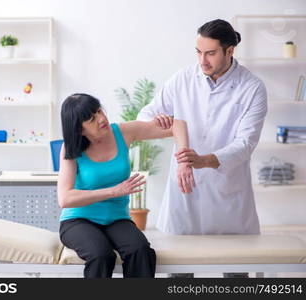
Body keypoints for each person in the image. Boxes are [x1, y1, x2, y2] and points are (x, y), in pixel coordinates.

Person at [137, 19, 267, 278]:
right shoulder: (182, 79)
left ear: (230, 51)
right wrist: (161, 122)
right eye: (198, 52)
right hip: (186, 192)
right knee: (180, 274)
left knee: (236, 274)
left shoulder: (252, 88)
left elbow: (245, 143)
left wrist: (205, 160)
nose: (202, 61)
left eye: (210, 53)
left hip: (228, 192)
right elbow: (144, 116)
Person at [57, 93, 191, 278]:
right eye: (91, 118)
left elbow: (178, 125)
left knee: (141, 250)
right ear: (79, 130)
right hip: (78, 220)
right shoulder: (71, 148)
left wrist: (184, 160)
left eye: (99, 111)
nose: (102, 118)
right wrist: (114, 191)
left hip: (116, 218)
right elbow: (65, 198)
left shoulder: (122, 132)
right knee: (101, 255)